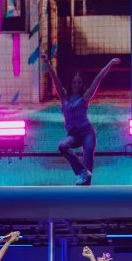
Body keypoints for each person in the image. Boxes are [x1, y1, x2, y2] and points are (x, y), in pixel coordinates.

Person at [42, 52, 120, 185]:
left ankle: (86, 185)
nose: (76, 84)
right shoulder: (64, 96)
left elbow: (98, 78)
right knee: (62, 146)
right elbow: (55, 79)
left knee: (88, 163)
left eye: (79, 82)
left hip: (87, 133)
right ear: (71, 83)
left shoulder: (85, 97)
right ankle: (82, 171)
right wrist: (47, 63)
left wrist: (110, 64)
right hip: (73, 135)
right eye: (74, 82)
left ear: (82, 83)